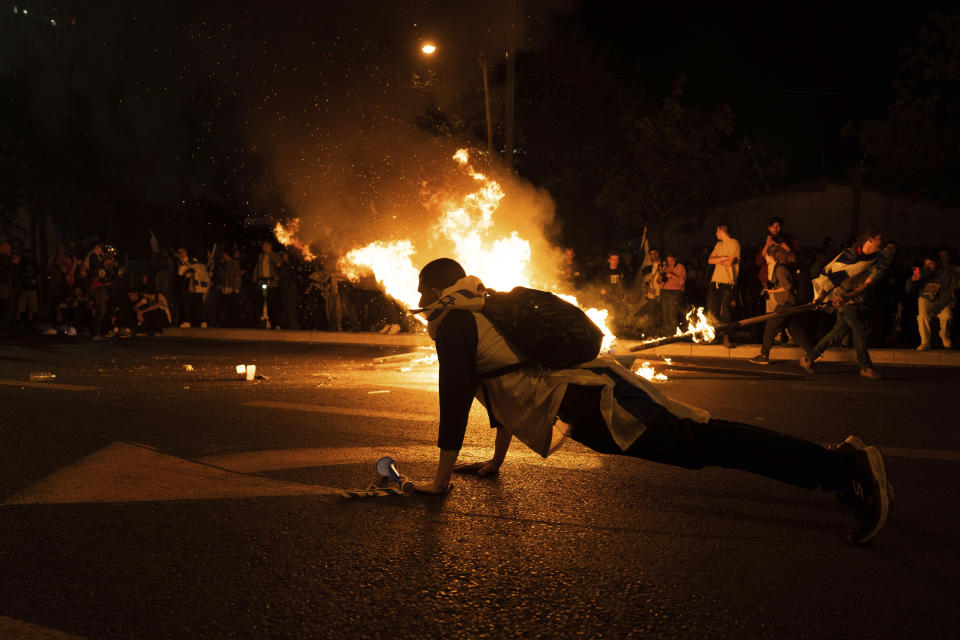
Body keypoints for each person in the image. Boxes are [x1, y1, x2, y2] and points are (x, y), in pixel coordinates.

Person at [411, 257, 891, 545]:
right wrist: (496, 461)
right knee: (703, 443)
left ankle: (841, 467)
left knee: (704, 443)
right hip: (595, 395)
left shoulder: (453, 320)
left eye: (420, 290)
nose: (417, 298)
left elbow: (456, 396)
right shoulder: (478, 303)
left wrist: (438, 481)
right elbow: (503, 386)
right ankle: (835, 470)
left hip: (598, 403)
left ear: (434, 289)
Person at [804, 228, 890, 379]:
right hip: (842, 298)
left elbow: (867, 284)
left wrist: (847, 296)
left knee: (837, 334)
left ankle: (808, 358)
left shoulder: (879, 259)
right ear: (869, 239)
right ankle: (865, 366)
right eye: (879, 239)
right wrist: (820, 298)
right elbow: (832, 277)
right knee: (860, 329)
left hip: (853, 298)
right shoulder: (849, 254)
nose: (882, 242)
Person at [749, 246, 815, 366]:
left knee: (770, 326)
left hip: (786, 303)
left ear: (772, 256)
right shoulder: (780, 267)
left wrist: (772, 292)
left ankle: (764, 355)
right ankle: (814, 353)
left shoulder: (780, 269)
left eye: (766, 256)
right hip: (789, 303)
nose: (765, 258)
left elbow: (787, 287)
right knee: (794, 329)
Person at [906, 255, 954, 350]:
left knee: (947, 316)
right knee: (922, 317)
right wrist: (912, 280)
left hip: (939, 300)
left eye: (930, 264)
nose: (928, 267)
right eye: (926, 264)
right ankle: (925, 342)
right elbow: (909, 289)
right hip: (925, 299)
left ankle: (944, 335)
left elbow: (946, 294)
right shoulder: (922, 272)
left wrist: (936, 309)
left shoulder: (945, 274)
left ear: (937, 263)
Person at [707, 224, 740, 347]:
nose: (716, 234)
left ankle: (726, 338)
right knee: (712, 311)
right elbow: (710, 260)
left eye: (717, 231)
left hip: (727, 282)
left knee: (726, 311)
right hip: (715, 282)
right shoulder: (718, 245)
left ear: (721, 231)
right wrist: (723, 258)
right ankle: (712, 336)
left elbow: (730, 262)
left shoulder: (734, 243)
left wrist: (719, 259)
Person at [176, 247, 210, 328]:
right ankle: (190, 321)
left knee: (196, 303)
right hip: (190, 285)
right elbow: (180, 273)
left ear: (187, 252)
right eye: (179, 252)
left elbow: (181, 273)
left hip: (194, 285)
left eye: (183, 251)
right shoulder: (182, 262)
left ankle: (201, 321)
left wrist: (186, 267)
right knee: (189, 304)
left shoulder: (193, 262)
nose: (181, 254)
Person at [658, 251, 685, 334]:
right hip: (664, 292)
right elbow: (659, 281)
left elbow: (682, 282)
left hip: (675, 292)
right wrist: (661, 279)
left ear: (675, 259)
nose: (670, 262)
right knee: (665, 314)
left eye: (671, 261)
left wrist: (672, 276)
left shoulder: (680, 267)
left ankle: (674, 333)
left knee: (672, 313)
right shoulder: (665, 267)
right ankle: (666, 332)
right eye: (668, 261)